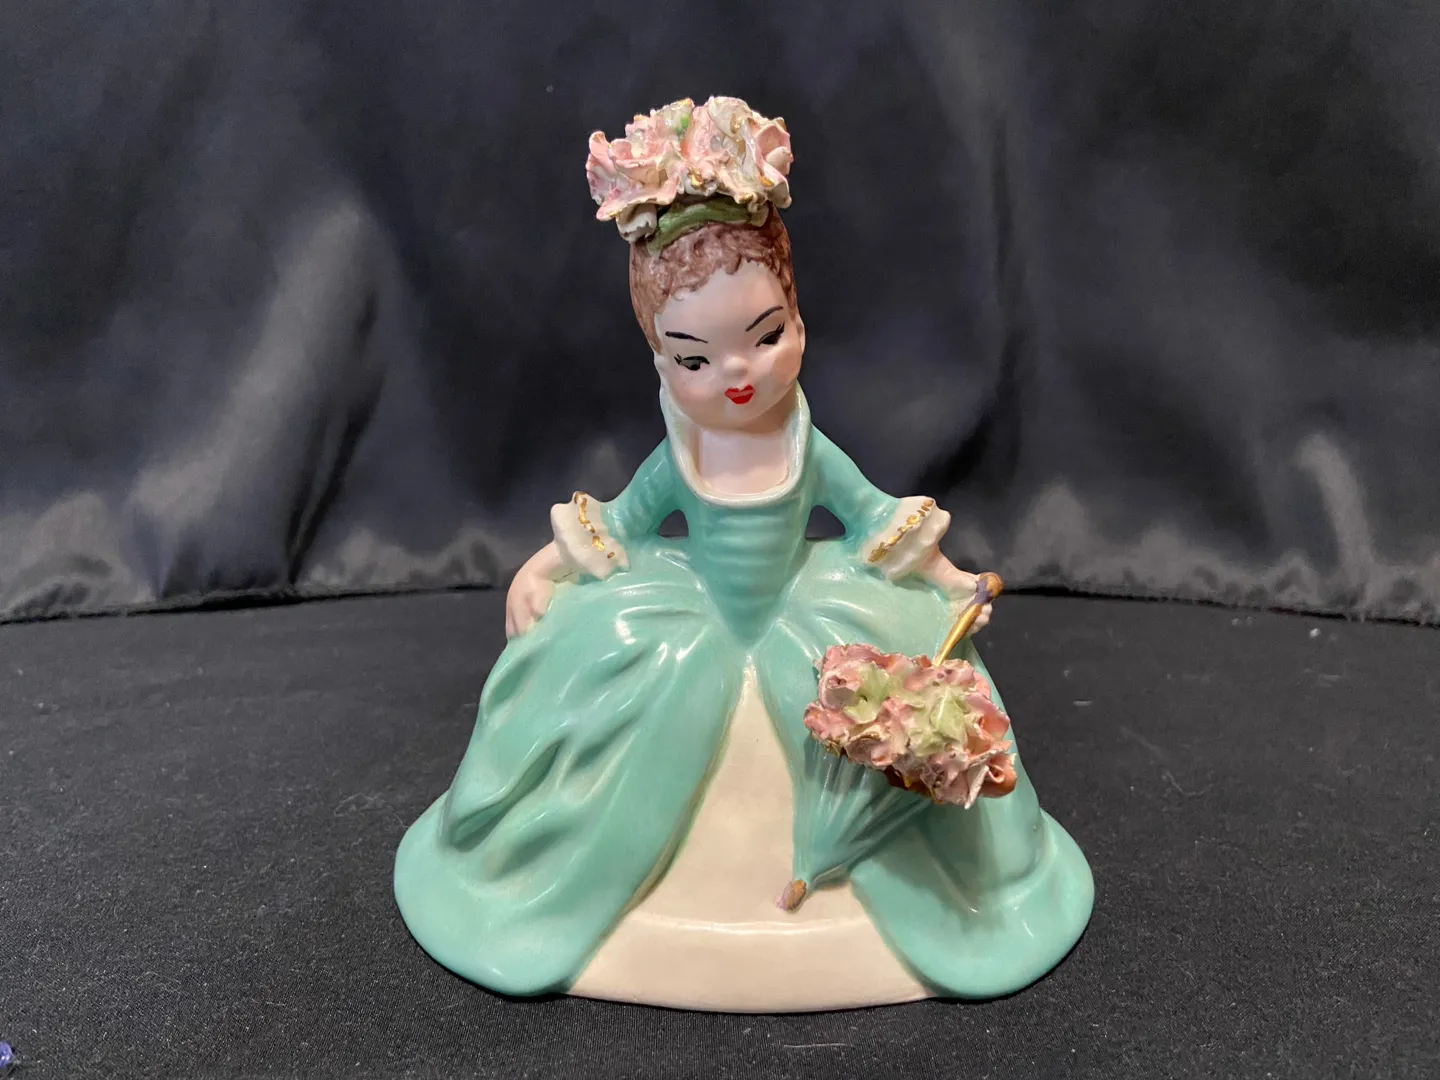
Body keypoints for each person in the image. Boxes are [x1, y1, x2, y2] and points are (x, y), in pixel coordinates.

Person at [395, 97, 1092, 1008]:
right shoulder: (679, 457)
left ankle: (934, 898)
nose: (737, 374)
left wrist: (954, 581)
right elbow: (620, 522)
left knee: (908, 711)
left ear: (799, 318)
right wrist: (543, 566)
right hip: (687, 625)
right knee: (577, 707)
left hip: (812, 616)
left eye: (766, 336)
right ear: (658, 360)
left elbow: (876, 517)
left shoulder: (807, 447)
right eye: (694, 358)